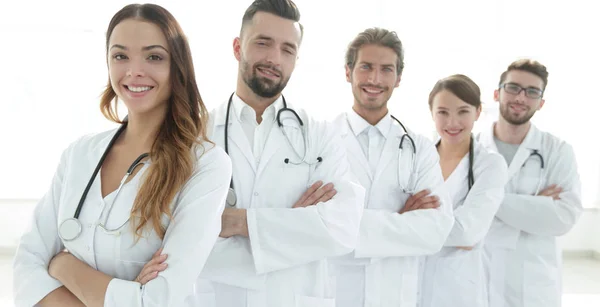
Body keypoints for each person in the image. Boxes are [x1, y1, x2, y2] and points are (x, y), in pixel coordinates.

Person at [12, 4, 232, 307]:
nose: (134, 70)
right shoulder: (79, 155)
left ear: (177, 67)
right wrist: (122, 294)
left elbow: (159, 300)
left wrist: (64, 266)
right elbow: (27, 266)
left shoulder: (205, 165)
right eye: (120, 56)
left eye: (154, 56)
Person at [192, 0, 365, 306]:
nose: (274, 58)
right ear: (237, 47)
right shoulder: (195, 134)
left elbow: (341, 229)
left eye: (287, 49)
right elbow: (185, 236)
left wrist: (239, 223)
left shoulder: (320, 135)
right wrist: (294, 230)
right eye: (263, 43)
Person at [331, 27, 454, 307]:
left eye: (386, 69)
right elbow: (315, 226)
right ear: (348, 72)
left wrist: (349, 223)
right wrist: (401, 219)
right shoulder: (320, 142)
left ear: (398, 78)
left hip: (395, 294)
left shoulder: (419, 147)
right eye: (366, 67)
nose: (375, 79)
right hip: (336, 291)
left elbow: (435, 231)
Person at [480, 59, 583, 307]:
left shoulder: (557, 151)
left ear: (541, 102)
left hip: (533, 283)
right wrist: (534, 206)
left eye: (532, 92)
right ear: (497, 93)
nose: (521, 97)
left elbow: (564, 217)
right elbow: (454, 210)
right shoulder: (472, 148)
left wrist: (484, 200)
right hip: (479, 274)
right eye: (513, 87)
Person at [418, 74, 508, 307]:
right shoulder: (416, 158)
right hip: (411, 279)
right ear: (432, 113)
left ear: (478, 112)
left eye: (463, 111)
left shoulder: (490, 165)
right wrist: (449, 228)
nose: (452, 122)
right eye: (443, 112)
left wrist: (410, 223)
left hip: (458, 289)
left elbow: (468, 233)